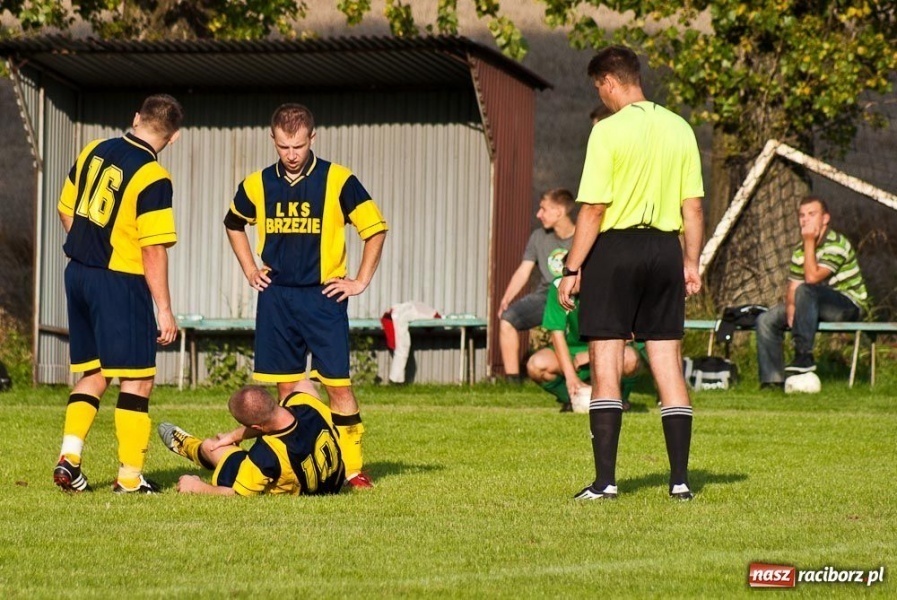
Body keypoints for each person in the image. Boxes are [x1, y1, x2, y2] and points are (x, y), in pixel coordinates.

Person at [558, 46, 704, 501]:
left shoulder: (607, 131)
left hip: (615, 250)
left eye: (599, 88)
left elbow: (594, 208)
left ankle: (605, 483)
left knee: (605, 359)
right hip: (665, 248)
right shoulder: (680, 128)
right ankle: (680, 481)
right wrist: (691, 261)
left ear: (609, 82)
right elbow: (693, 205)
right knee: (667, 361)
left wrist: (572, 266)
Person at [223, 104, 387, 489]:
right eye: (283, 147)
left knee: (338, 385)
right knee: (287, 387)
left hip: (324, 296)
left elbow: (375, 229)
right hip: (277, 297)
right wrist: (250, 269)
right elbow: (233, 223)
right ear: (273, 141)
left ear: (313, 138)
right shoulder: (257, 183)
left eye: (297, 146)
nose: (291, 155)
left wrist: (360, 281)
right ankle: (299, 460)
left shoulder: (339, 180)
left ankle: (352, 468)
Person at [53, 94, 184, 494]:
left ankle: (69, 459)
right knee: (138, 379)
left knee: (93, 372)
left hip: (77, 273)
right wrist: (164, 309)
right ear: (174, 138)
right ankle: (129, 478)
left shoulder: (94, 149)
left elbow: (65, 209)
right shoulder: (153, 177)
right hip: (119, 281)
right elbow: (152, 249)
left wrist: (89, 251)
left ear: (136, 118)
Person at [756, 196, 868, 388]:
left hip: (847, 305)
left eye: (811, 214)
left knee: (807, 291)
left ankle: (803, 355)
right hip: (810, 304)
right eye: (801, 215)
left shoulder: (837, 244)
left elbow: (811, 279)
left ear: (825, 218)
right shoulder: (800, 251)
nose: (805, 220)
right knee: (766, 319)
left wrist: (809, 241)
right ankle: (772, 381)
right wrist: (791, 306)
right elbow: (793, 286)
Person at [159, 382, 345, 496]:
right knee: (303, 385)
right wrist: (233, 435)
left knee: (211, 447)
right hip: (333, 483)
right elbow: (304, 384)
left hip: (298, 491)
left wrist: (196, 487)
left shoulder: (265, 455)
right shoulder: (308, 406)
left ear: (256, 428)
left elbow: (236, 494)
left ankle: (189, 447)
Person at [526, 274, 647, 412]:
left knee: (630, 359)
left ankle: (619, 400)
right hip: (571, 354)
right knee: (536, 365)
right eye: (569, 273)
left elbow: (632, 331)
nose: (573, 279)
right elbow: (556, 333)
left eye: (578, 274)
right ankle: (571, 399)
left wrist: (590, 354)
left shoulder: (610, 287)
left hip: (605, 351)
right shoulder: (559, 286)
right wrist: (571, 378)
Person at [497, 188, 576, 383]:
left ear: (559, 211)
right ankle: (512, 382)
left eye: (543, 209)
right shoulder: (538, 237)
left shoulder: (582, 236)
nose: (538, 214)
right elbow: (524, 270)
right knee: (507, 320)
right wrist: (507, 298)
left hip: (575, 297)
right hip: (545, 296)